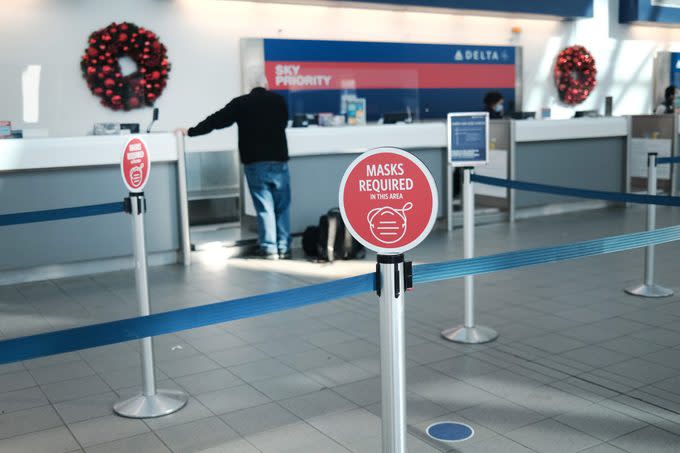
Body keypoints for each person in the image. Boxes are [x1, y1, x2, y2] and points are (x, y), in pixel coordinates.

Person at [178, 75, 291, 260]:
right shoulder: (278, 100)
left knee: (265, 208)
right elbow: (284, 122)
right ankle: (285, 247)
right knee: (283, 207)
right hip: (279, 162)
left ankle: (270, 249)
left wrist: (191, 131)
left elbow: (217, 120)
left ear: (249, 87)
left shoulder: (241, 103)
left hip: (255, 163)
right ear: (267, 85)